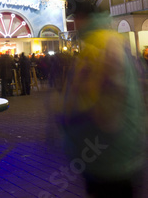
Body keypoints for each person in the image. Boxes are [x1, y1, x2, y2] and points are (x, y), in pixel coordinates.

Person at [60, 13, 146, 198]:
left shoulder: (99, 44)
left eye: (73, 17)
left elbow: (107, 110)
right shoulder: (110, 40)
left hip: (109, 158)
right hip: (117, 155)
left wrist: (72, 121)